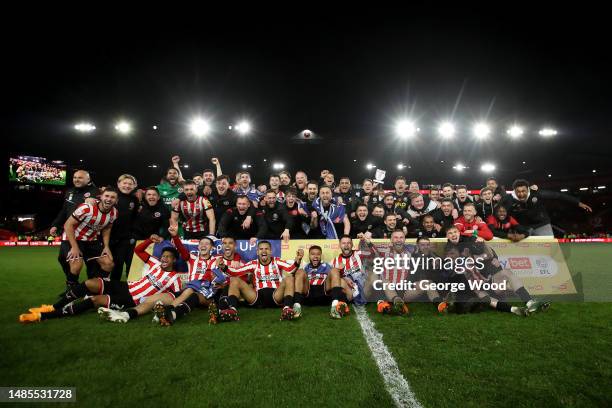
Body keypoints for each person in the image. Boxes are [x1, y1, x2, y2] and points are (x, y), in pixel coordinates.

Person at [20, 236, 181, 323]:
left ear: (174, 261)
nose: (164, 258)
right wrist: (149, 240)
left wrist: (157, 306)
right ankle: (52, 307)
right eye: (163, 256)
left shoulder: (174, 279)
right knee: (91, 283)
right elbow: (139, 249)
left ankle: (46, 317)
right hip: (125, 286)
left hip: (132, 299)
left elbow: (175, 297)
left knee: (96, 300)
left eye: (168, 257)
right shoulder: (154, 262)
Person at [217, 242, 303, 321]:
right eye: (261, 249)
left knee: (290, 278)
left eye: (266, 249)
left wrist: (297, 261)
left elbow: (290, 269)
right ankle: (232, 310)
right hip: (257, 297)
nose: (264, 251)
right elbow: (235, 272)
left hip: (276, 295)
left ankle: (286, 309)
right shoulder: (253, 263)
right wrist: (223, 266)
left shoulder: (277, 261)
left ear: (270, 251)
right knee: (234, 279)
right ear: (257, 252)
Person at [58, 188, 118, 292]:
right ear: (101, 197)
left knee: (108, 263)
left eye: (112, 197)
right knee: (76, 265)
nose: (109, 199)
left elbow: (107, 228)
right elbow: (68, 225)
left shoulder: (114, 213)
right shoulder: (87, 208)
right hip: (72, 238)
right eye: (107, 196)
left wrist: (106, 246)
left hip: (91, 241)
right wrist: (75, 247)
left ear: (116, 201)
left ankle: (93, 288)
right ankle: (71, 291)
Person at [502, 179, 592, 236]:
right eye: (518, 192)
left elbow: (558, 195)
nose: (521, 194)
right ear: (514, 191)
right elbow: (500, 211)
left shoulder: (537, 194)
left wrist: (578, 203)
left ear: (528, 189)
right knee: (524, 254)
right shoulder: (510, 199)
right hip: (523, 228)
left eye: (523, 191)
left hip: (542, 225)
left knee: (548, 251)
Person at [50, 170, 99, 238]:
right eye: (74, 177)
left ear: (88, 179)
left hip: (88, 234)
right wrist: (55, 225)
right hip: (70, 232)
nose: (76, 180)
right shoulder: (69, 192)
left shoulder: (96, 191)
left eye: (80, 178)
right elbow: (64, 211)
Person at [327, 235, 367, 318]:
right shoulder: (334, 261)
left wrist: (365, 240)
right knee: (340, 280)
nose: (346, 245)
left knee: (365, 275)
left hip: (363, 287)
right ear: (339, 245)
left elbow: (373, 253)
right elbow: (329, 278)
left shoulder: (358, 254)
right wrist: (343, 276)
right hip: (349, 290)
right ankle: (340, 304)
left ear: (352, 244)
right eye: (343, 243)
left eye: (349, 243)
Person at [109, 174, 140, 281]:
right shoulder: (111, 196)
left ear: (134, 186)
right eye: (124, 183)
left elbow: (135, 218)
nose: (127, 186)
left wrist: (133, 234)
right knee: (115, 266)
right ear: (118, 183)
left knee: (131, 266)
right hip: (110, 238)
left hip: (126, 239)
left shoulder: (134, 199)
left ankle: (132, 290)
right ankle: (113, 291)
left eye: (130, 184)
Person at [293, 246, 333, 312]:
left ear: (321, 256)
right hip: (309, 294)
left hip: (324, 294)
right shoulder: (305, 267)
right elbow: (293, 275)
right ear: (309, 256)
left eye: (318, 254)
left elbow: (335, 277)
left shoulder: (327, 266)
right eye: (313, 254)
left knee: (334, 271)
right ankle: (297, 305)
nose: (315, 256)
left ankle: (336, 303)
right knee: (299, 272)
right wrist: (298, 261)